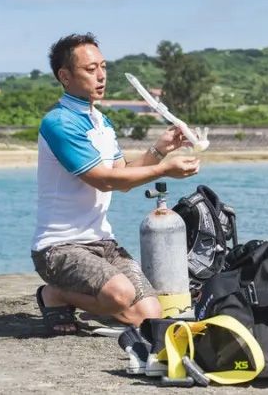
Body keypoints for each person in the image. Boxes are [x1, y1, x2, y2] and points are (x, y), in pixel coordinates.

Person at [31, 33, 200, 335]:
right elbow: (104, 180)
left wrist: (160, 149)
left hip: (102, 244)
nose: (101, 75)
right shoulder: (59, 122)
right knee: (119, 295)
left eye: (104, 67)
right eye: (90, 69)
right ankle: (52, 295)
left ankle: (95, 298)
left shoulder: (102, 122)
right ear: (65, 76)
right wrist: (164, 170)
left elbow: (123, 176)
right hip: (59, 249)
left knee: (150, 316)